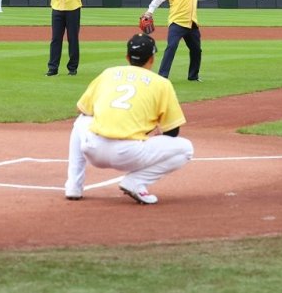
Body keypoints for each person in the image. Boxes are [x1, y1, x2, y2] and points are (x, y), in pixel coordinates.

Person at [64, 33, 193, 203]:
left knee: (82, 120)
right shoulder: (162, 83)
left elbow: (83, 109)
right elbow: (173, 132)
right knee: (185, 148)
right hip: (129, 155)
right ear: (152, 58)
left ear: (127, 57)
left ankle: (73, 186)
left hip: (94, 150)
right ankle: (135, 181)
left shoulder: (108, 73)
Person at [143, 0, 212, 81]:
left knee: (196, 50)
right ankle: (162, 76)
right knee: (171, 47)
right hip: (177, 23)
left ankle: (193, 76)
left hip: (192, 24)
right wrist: (150, 11)